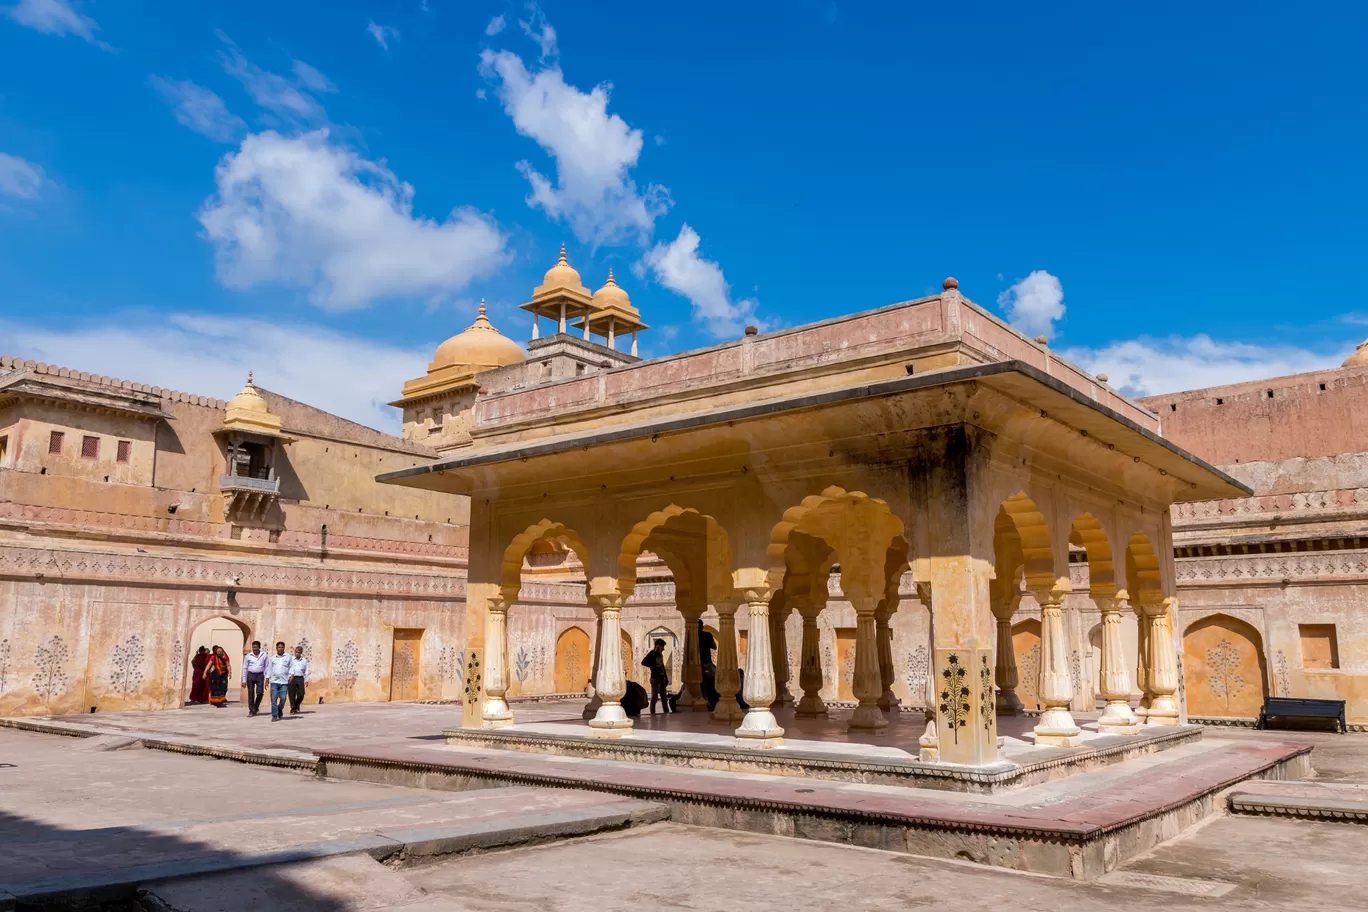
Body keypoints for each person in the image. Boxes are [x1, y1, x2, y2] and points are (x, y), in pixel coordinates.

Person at [641, 638, 672, 714]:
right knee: (654, 698)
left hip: (661, 678)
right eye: (662, 647)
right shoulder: (652, 654)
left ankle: (666, 713)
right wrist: (653, 666)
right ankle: (653, 714)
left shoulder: (660, 655)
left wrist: (666, 678)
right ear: (658, 646)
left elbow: (662, 666)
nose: (663, 649)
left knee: (664, 698)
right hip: (655, 678)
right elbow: (643, 662)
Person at [266, 641, 292, 721]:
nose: (280, 648)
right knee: (273, 699)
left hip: (284, 681)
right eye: (279, 647)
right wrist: (267, 679)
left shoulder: (288, 657)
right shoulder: (273, 658)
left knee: (283, 698)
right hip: (274, 681)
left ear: (284, 648)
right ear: (276, 648)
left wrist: (291, 676)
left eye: (282, 647)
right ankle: (274, 715)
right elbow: (269, 669)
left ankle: (279, 709)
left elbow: (291, 667)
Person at [241, 641, 268, 717]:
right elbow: (245, 668)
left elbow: (267, 667)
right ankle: (251, 710)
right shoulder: (248, 656)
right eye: (253, 647)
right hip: (250, 675)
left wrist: (267, 678)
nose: (254, 649)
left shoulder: (264, 655)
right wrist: (243, 680)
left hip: (260, 675)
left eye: (256, 647)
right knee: (251, 693)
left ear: (259, 647)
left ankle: (256, 707)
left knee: (260, 693)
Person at [698, 620, 719, 710]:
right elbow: (714, 646)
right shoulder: (707, 635)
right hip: (707, 663)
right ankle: (711, 704)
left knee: (701, 685)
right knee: (715, 680)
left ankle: (705, 702)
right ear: (702, 626)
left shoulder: (692, 636)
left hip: (696, 665)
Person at [287, 645, 310, 714]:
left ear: (301, 653)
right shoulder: (290, 659)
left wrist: (306, 680)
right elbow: (287, 668)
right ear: (294, 652)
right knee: (292, 693)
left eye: (299, 652)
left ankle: (296, 705)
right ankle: (293, 708)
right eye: (296, 652)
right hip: (292, 678)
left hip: (300, 678)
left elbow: (306, 671)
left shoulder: (304, 660)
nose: (297, 653)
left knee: (301, 694)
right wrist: (288, 677)